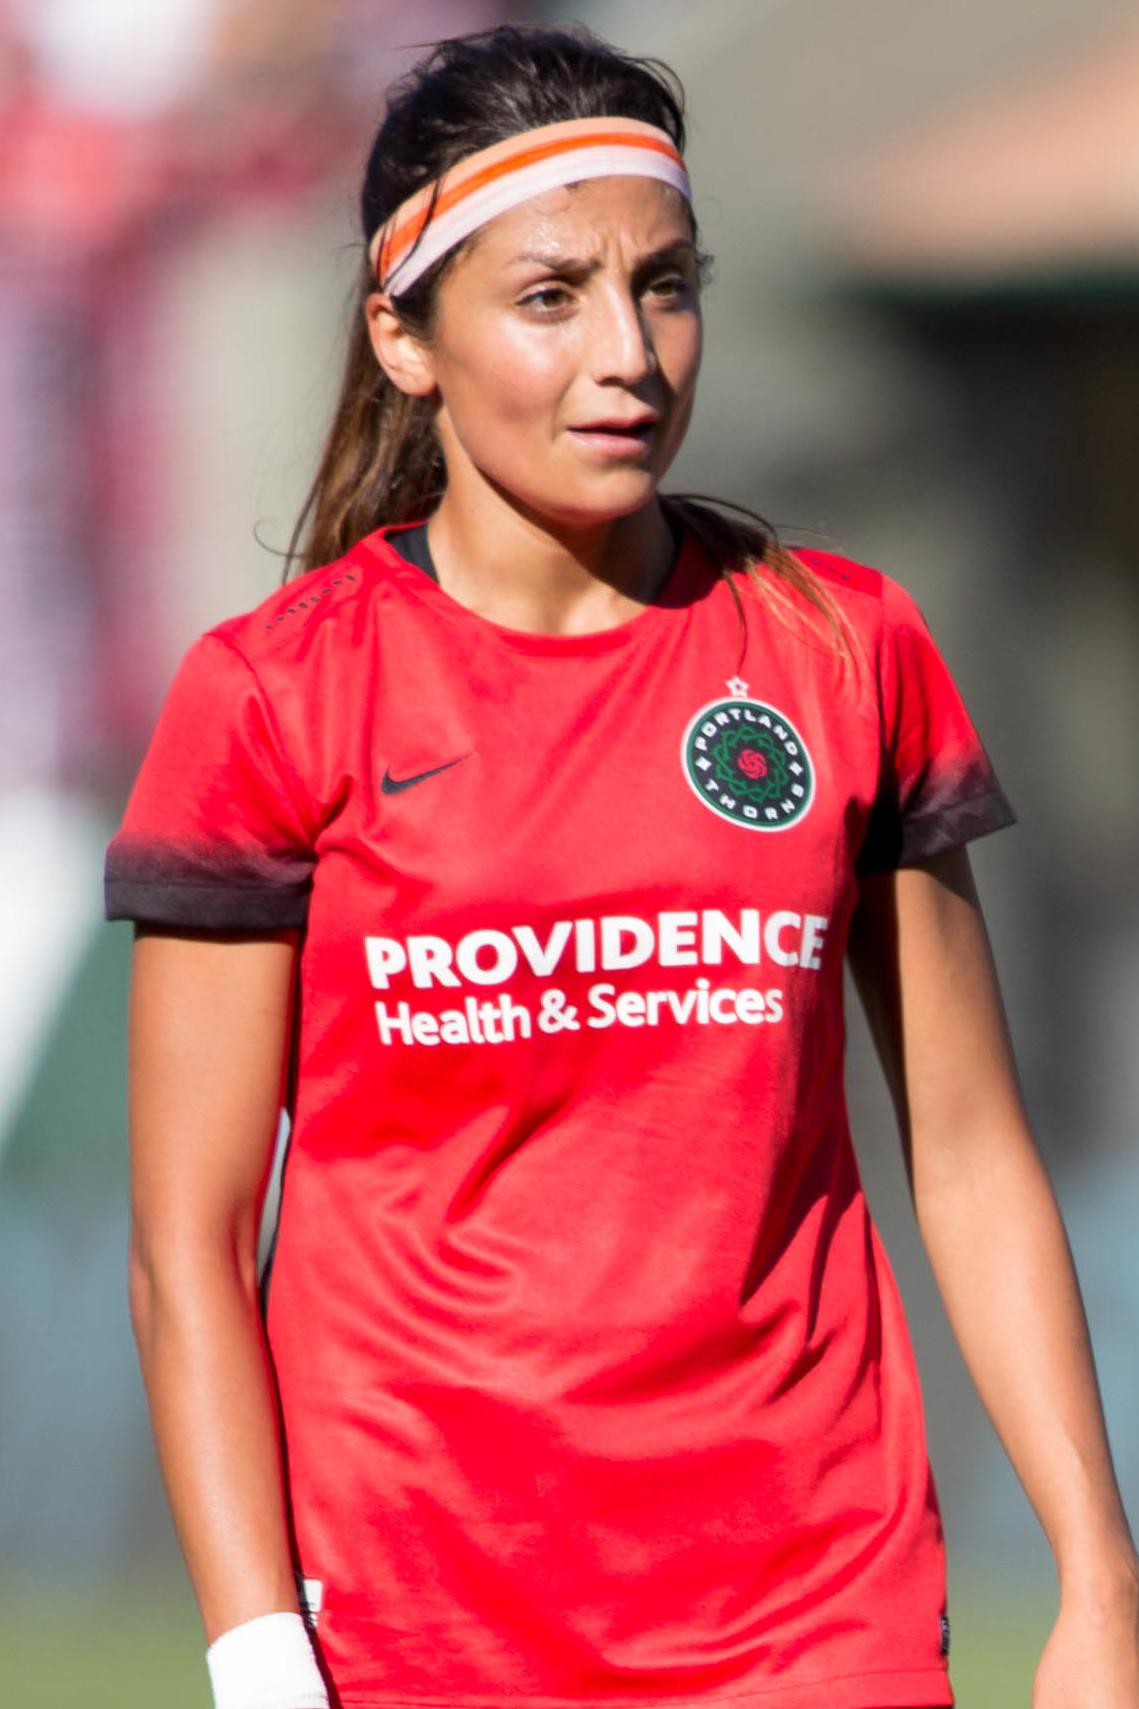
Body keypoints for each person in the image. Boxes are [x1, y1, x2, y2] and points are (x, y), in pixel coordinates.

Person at [103, 22, 1139, 1709]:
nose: (630, 355)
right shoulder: (276, 697)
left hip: (818, 1616)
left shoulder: (844, 649)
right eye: (551, 296)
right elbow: (192, 1244)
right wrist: (258, 1657)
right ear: (404, 338)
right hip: (424, 1635)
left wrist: (1101, 1579)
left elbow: (968, 1154)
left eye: (666, 285)